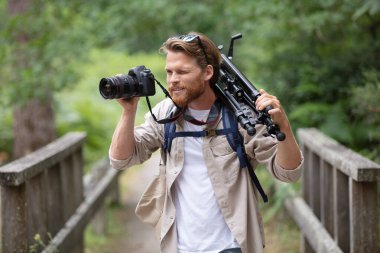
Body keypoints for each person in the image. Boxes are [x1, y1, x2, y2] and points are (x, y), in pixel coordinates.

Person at [108, 32, 303, 253]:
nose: (173, 80)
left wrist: (284, 127)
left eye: (182, 72)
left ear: (207, 72)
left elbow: (288, 173)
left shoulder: (239, 116)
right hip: (178, 247)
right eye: (169, 72)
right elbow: (121, 159)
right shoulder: (166, 113)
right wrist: (128, 111)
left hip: (231, 246)